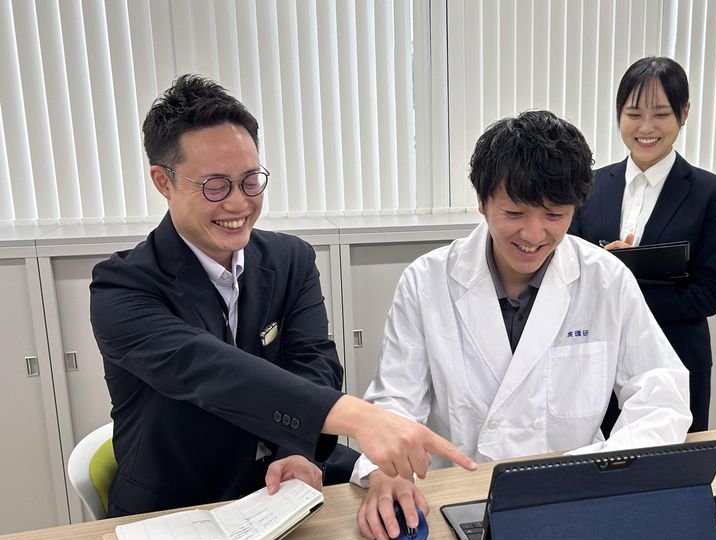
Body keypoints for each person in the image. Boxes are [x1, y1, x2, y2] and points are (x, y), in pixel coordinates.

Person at [90, 74, 474, 517]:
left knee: (405, 517)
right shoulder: (122, 286)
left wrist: (298, 451)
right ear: (164, 182)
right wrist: (360, 417)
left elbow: (314, 360)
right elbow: (210, 371)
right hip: (178, 506)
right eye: (215, 186)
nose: (239, 203)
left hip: (281, 486)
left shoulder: (290, 259)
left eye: (250, 180)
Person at [351, 110, 692, 540]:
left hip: (574, 498)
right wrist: (386, 471)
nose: (533, 234)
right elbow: (396, 400)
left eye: (554, 214)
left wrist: (608, 470)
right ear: (482, 202)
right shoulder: (426, 281)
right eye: (514, 212)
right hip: (458, 500)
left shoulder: (606, 279)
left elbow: (660, 395)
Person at [569, 56, 716, 433]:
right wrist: (600, 268)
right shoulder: (588, 187)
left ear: (684, 113)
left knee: (673, 462)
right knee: (595, 459)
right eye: (633, 114)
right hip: (598, 363)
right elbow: (566, 273)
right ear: (618, 114)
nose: (646, 127)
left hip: (677, 359)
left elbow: (712, 292)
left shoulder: (711, 193)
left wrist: (623, 289)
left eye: (661, 113)